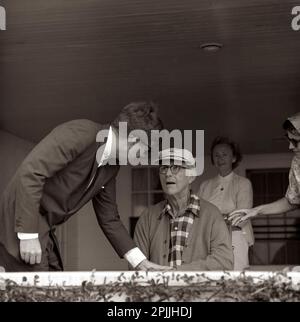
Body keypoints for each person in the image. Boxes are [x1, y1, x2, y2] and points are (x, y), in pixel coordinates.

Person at [0, 101, 170, 272]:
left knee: (55, 281)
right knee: (39, 290)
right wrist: (28, 234)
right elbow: (31, 173)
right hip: (18, 221)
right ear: (134, 140)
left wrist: (140, 262)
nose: (145, 157)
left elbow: (109, 218)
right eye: (147, 150)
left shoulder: (112, 166)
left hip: (44, 229)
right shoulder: (81, 132)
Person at [134, 148, 233, 271]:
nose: (168, 174)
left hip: (199, 289)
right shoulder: (148, 217)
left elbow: (224, 261)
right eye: (164, 168)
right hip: (157, 289)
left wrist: (178, 272)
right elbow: (137, 265)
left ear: (191, 176)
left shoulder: (212, 214)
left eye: (175, 168)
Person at [229, 112, 300, 226]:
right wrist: (256, 211)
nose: (290, 146)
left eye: (296, 141)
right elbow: (292, 201)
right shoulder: (297, 163)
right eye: (289, 140)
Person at [198, 137, 254, 270]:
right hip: (209, 239)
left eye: (224, 155)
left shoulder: (243, 183)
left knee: (236, 276)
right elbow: (198, 214)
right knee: (212, 276)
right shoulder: (205, 185)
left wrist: (212, 220)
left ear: (233, 158)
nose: (220, 158)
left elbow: (241, 217)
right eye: (216, 155)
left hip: (236, 237)